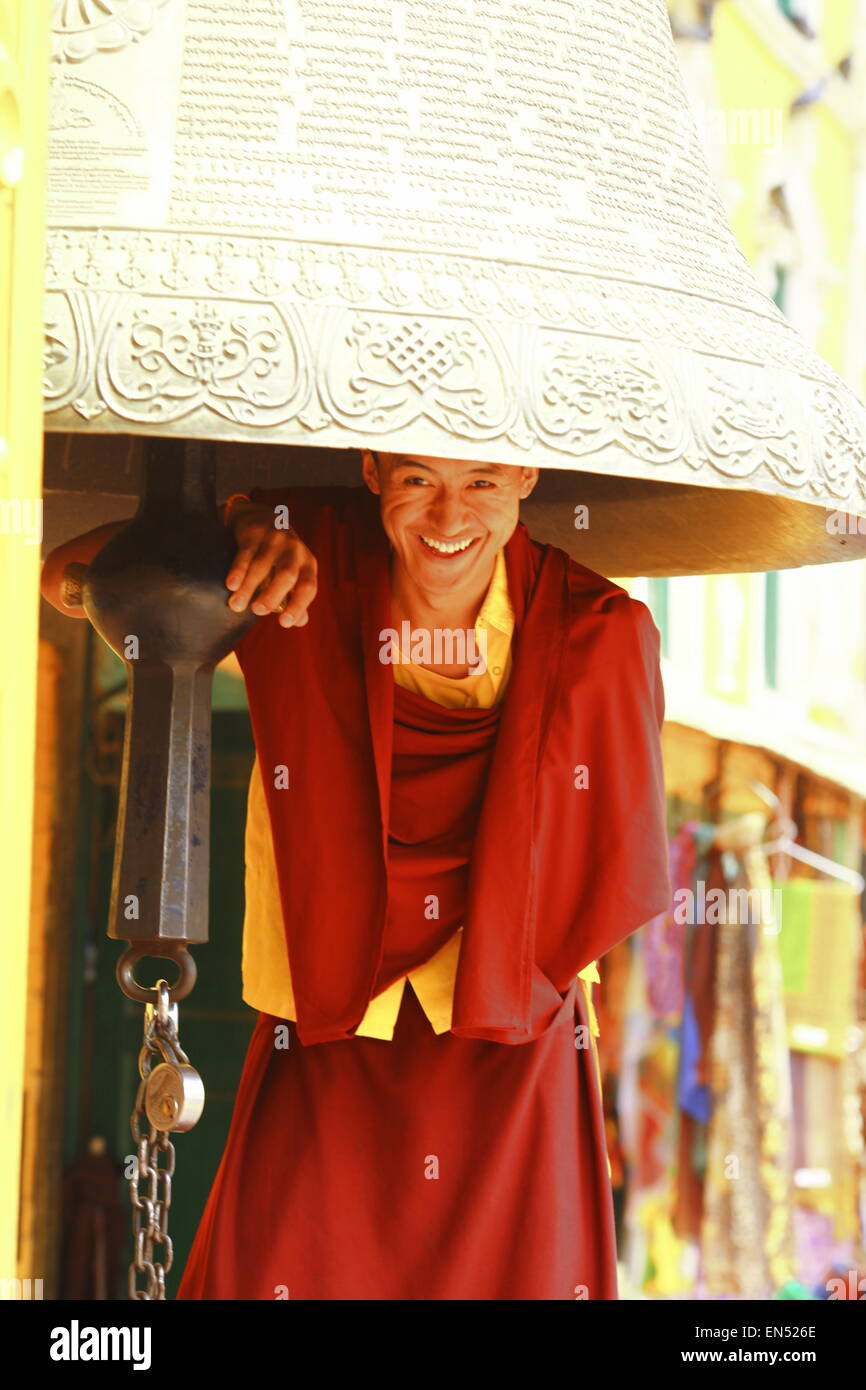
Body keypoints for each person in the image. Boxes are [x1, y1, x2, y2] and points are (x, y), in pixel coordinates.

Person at [42, 448, 671, 1300]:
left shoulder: (600, 630)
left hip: (511, 1046)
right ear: (373, 471)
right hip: (327, 1022)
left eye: (481, 483)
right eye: (419, 482)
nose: (449, 520)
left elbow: (611, 869)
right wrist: (228, 536)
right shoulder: (298, 566)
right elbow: (65, 577)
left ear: (527, 477)